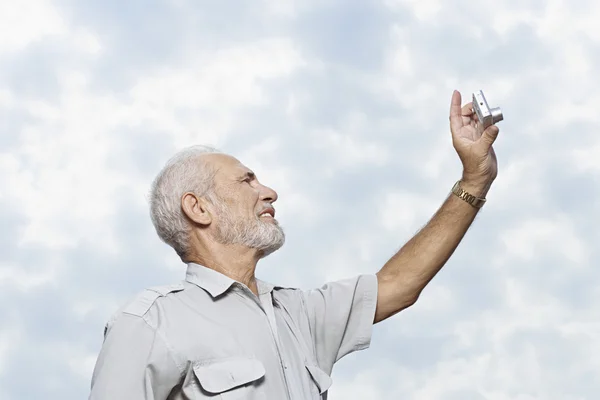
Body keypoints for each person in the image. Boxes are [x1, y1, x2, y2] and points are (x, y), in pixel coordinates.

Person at [89, 90, 501, 399]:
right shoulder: (150, 321)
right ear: (198, 208)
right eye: (247, 180)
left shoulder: (300, 314)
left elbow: (398, 284)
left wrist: (474, 181)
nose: (269, 192)